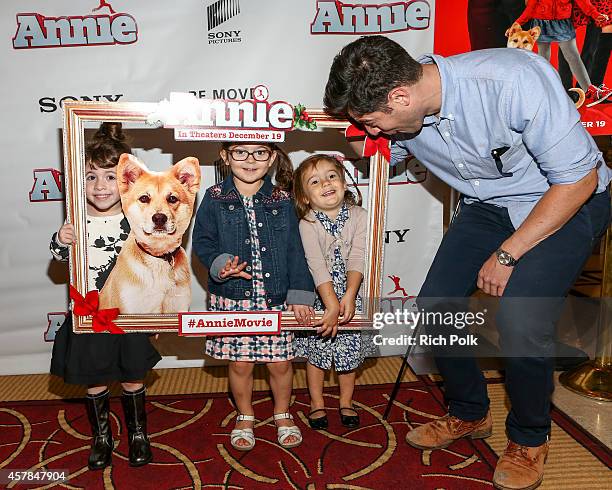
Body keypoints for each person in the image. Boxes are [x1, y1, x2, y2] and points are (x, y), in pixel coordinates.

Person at [323, 35, 611, 490]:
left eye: (375, 123)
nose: (375, 132)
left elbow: (579, 179)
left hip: (566, 198)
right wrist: (369, 146)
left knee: (521, 319)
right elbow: (389, 153)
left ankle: (529, 438)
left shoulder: (511, 79)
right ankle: (469, 412)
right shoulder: (405, 109)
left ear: (401, 96)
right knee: (437, 306)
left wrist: (508, 253)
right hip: (488, 205)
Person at [50, 122, 161, 470]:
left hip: (129, 315)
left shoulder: (137, 219)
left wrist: (155, 314)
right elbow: (58, 256)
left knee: (132, 376)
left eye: (110, 177)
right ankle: (102, 437)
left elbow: (154, 269)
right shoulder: (76, 220)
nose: (100, 186)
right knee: (95, 379)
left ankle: (138, 434)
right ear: (77, 180)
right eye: (91, 176)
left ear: (126, 180)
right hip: (89, 314)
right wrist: (60, 240)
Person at [192, 142, 315, 451]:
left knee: (281, 364)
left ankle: (282, 413)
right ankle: (245, 415)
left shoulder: (282, 199)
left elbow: (295, 251)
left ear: (272, 157)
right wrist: (221, 265)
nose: (250, 160)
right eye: (240, 152)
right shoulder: (214, 197)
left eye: (260, 152)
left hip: (275, 297)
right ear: (225, 156)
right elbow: (203, 242)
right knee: (241, 364)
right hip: (232, 297)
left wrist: (300, 294)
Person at [292, 154, 372, 430]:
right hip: (319, 297)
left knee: (348, 357)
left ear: (344, 182)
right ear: (304, 196)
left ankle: (346, 402)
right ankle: (317, 403)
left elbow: (358, 257)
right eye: (314, 181)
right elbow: (316, 265)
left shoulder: (360, 216)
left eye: (331, 176)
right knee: (317, 356)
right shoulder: (308, 224)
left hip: (351, 295)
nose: (325, 183)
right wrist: (331, 304)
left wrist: (348, 296)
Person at [509, 0, 611, 106]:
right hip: (542, 23)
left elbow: (582, 2)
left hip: (563, 23)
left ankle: (589, 91)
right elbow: (531, 7)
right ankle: (543, 92)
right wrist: (518, 22)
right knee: (543, 58)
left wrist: (595, 14)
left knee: (572, 56)